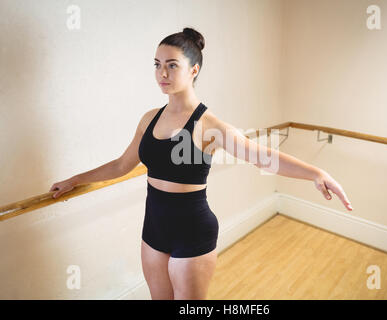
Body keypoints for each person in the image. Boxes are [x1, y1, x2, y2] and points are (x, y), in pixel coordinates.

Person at [49, 27, 353, 300]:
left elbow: (264, 156)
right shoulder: (148, 118)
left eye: (172, 65)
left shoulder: (209, 126)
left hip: (192, 231)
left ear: (194, 70)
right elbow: (120, 165)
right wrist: (74, 180)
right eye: (157, 65)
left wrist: (316, 172)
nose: (161, 74)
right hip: (153, 228)